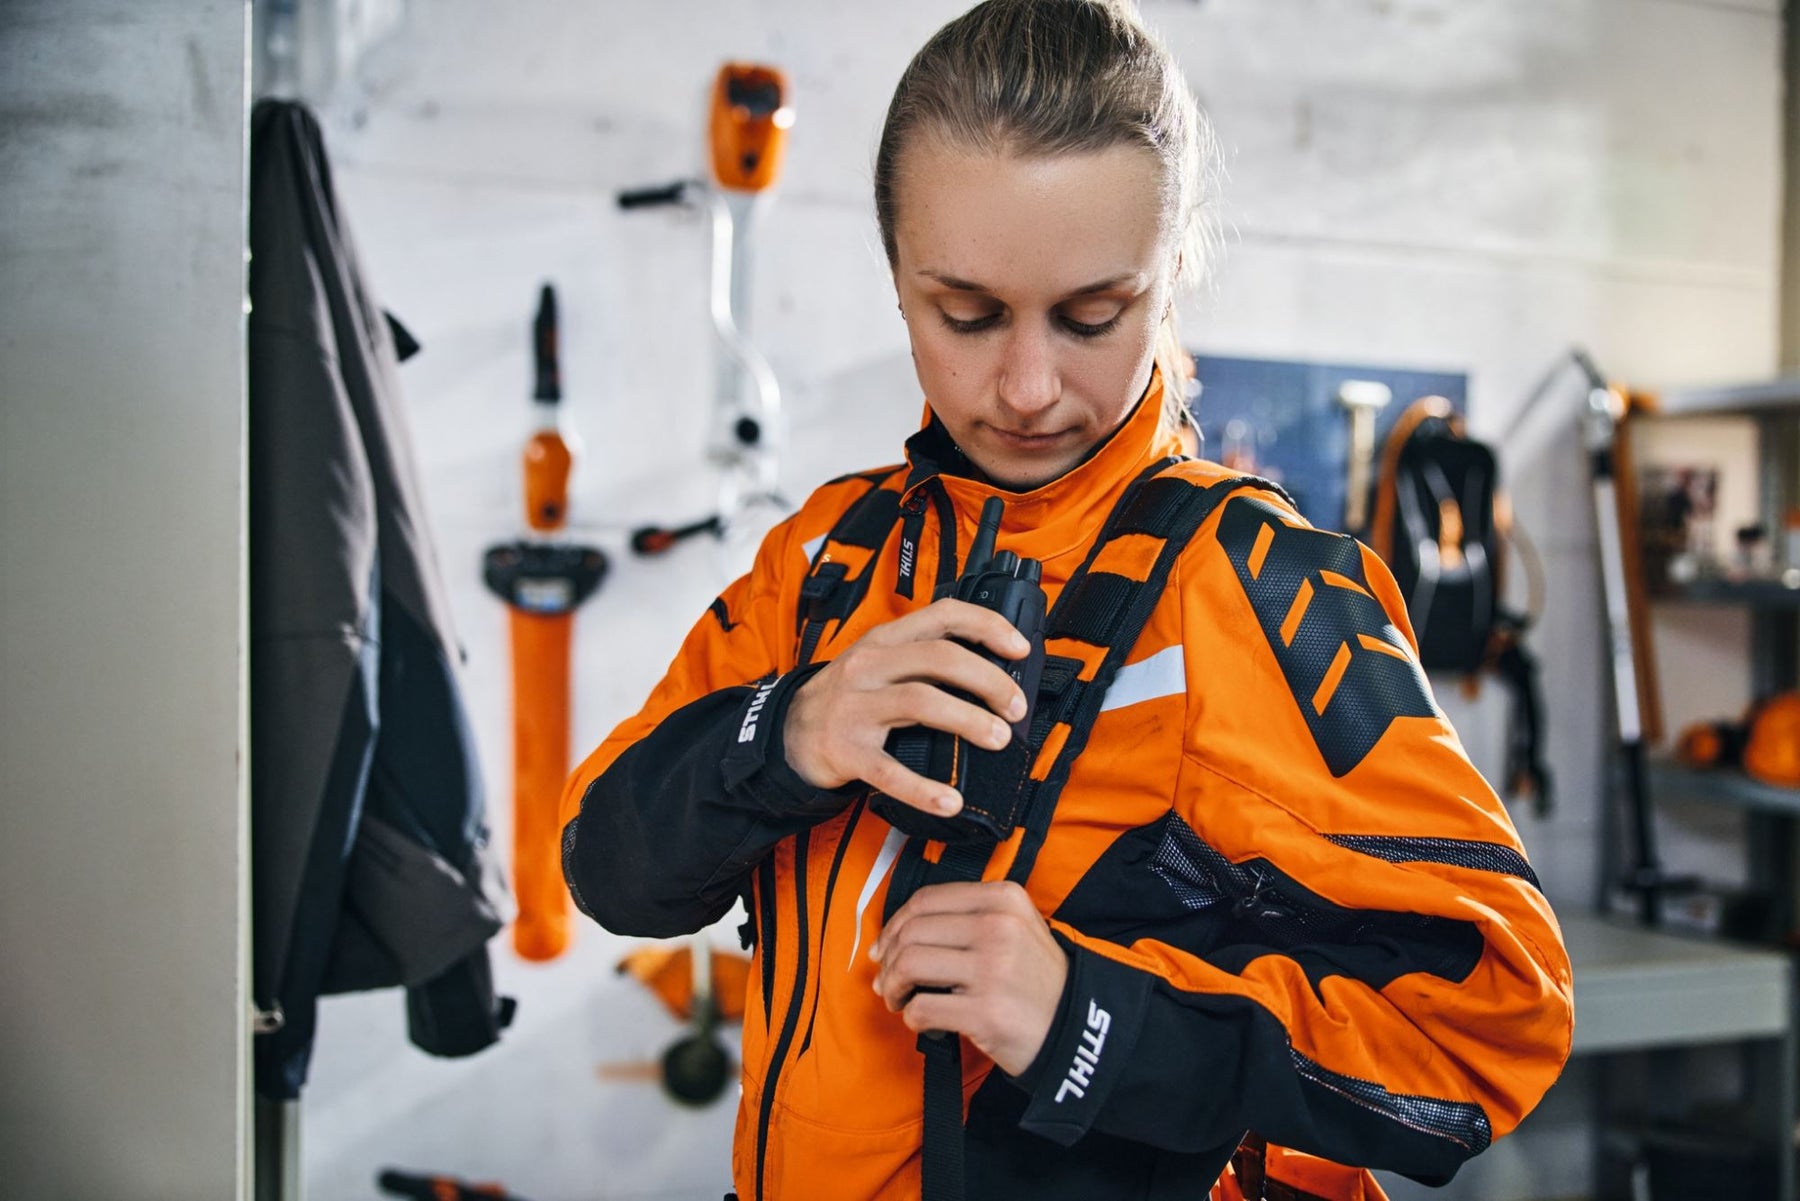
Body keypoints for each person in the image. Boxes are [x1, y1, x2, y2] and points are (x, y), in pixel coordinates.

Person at [560, 2, 1573, 1198]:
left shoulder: (1248, 584)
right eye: (967, 314)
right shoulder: (826, 555)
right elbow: (605, 865)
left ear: (1170, 273)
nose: (1029, 386)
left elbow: (1493, 1027)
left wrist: (1090, 1021)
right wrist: (789, 731)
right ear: (896, 276)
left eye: (1093, 316)